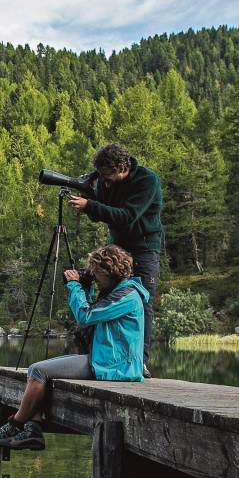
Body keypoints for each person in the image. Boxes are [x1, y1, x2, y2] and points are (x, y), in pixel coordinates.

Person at [0, 245, 148, 451]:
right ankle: (32, 430)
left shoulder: (127, 296)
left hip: (114, 365)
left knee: (38, 371)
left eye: (96, 274)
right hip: (106, 359)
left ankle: (15, 425)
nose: (94, 278)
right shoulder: (118, 291)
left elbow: (85, 316)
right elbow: (91, 313)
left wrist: (74, 286)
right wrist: (85, 287)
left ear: (109, 272)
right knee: (38, 370)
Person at [67, 143, 162, 367]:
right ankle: (104, 356)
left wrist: (90, 205)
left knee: (142, 302)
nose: (104, 181)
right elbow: (101, 214)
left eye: (107, 175)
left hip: (144, 247)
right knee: (107, 296)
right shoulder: (106, 181)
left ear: (121, 168)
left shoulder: (146, 181)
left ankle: (141, 362)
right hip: (118, 247)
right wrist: (89, 199)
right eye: (101, 176)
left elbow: (128, 215)